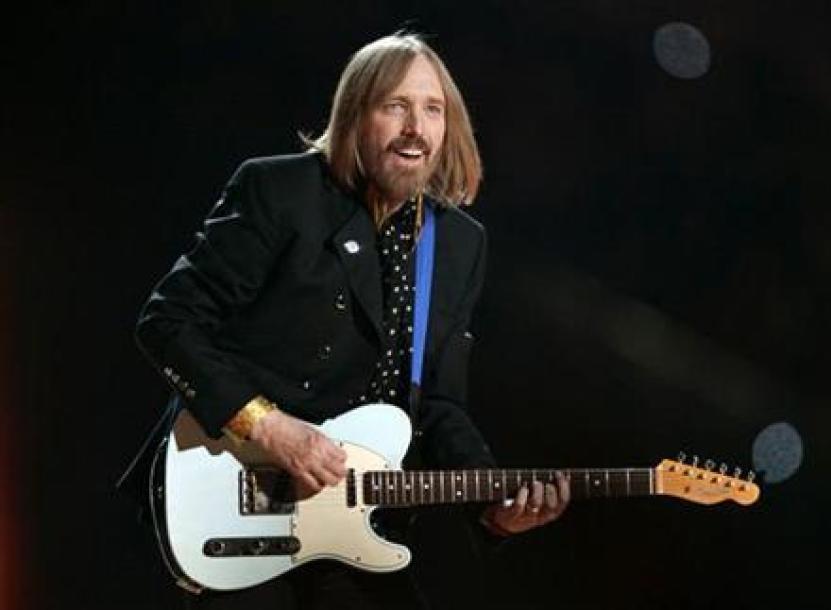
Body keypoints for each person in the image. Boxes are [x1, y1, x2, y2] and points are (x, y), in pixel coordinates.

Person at [120, 32, 569, 609]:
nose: (417, 127)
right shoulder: (280, 191)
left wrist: (492, 507)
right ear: (355, 115)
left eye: (433, 110)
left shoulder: (458, 243)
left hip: (355, 529)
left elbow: (438, 405)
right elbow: (166, 322)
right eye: (396, 106)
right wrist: (268, 425)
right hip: (244, 496)